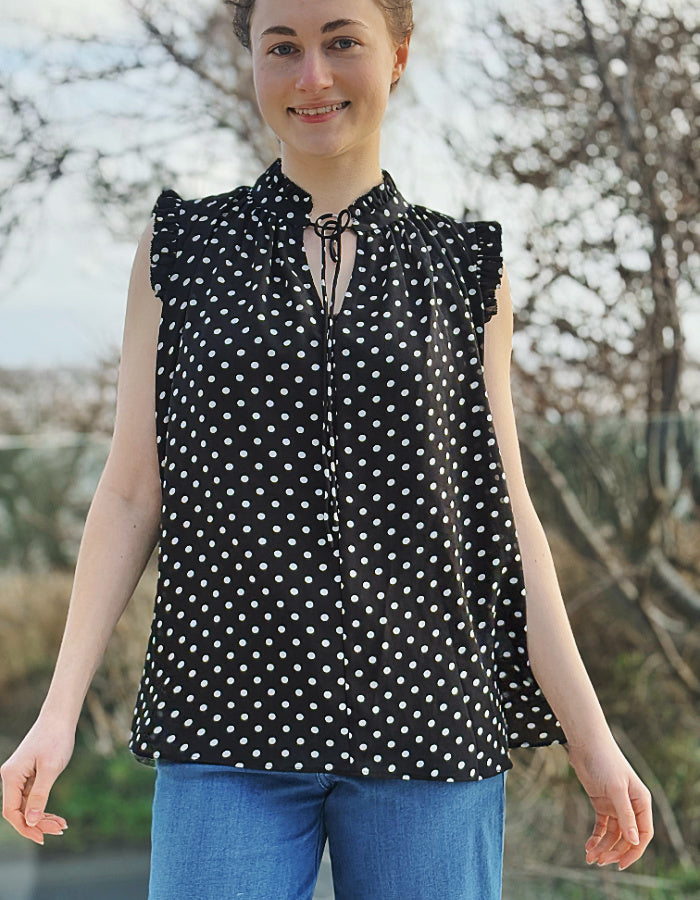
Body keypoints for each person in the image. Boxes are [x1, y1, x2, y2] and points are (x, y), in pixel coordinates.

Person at [1, 0, 654, 897]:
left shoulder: (466, 268)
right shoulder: (182, 250)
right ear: (254, 63)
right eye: (283, 47)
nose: (311, 76)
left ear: (397, 54)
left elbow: (507, 523)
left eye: (341, 41)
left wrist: (593, 738)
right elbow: (129, 494)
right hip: (223, 713)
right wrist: (56, 714)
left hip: (429, 716)